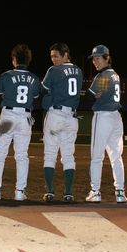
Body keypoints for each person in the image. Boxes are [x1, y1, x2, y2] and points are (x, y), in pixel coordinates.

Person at [0, 44, 40, 201]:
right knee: (22, 155)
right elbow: (35, 98)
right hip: (25, 116)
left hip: (8, 114)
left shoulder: (6, 75)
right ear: (29, 60)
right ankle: (19, 192)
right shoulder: (34, 78)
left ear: (14, 59)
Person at [40, 42, 82, 202]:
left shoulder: (54, 70)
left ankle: (49, 191)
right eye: (52, 57)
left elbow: (43, 89)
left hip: (56, 116)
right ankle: (68, 193)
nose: (53, 59)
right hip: (71, 117)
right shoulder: (78, 71)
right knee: (68, 156)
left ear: (66, 55)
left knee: (50, 155)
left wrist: (50, 93)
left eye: (56, 56)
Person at [85, 45, 127, 204]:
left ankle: (95, 191)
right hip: (116, 117)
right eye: (94, 59)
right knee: (116, 157)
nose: (95, 61)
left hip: (103, 117)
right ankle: (120, 192)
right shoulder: (115, 75)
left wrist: (94, 95)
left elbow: (89, 97)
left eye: (98, 58)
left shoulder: (102, 76)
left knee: (97, 157)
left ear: (107, 58)